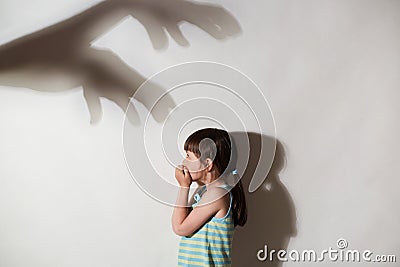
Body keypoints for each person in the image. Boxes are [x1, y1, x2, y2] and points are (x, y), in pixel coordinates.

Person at [171, 128, 247, 266]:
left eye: (188, 156)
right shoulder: (204, 192)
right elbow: (183, 218)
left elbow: (180, 227)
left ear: (207, 164)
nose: (184, 161)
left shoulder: (217, 194)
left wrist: (184, 186)